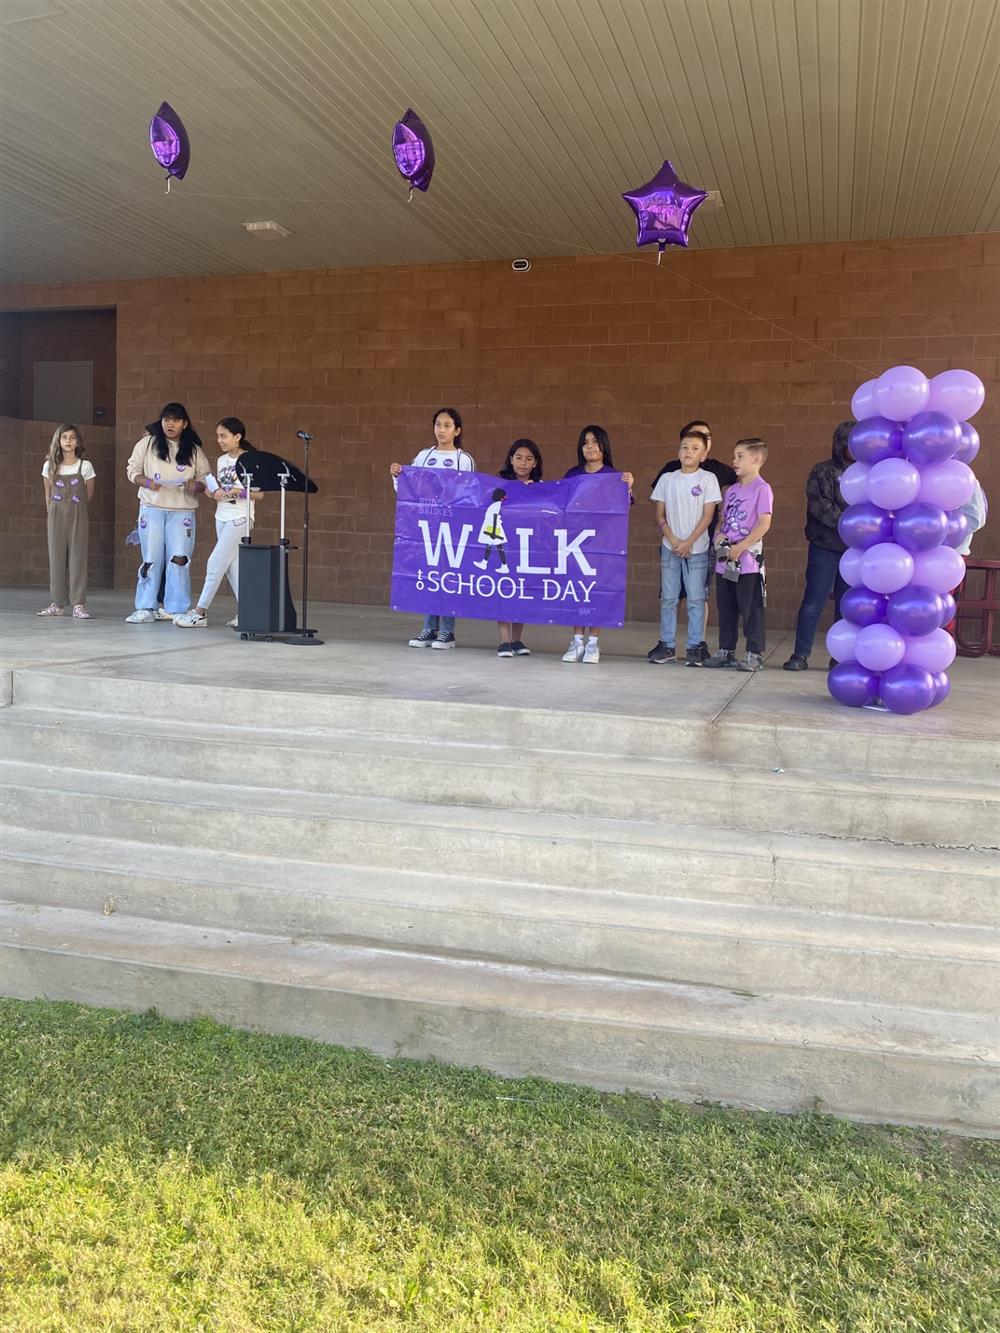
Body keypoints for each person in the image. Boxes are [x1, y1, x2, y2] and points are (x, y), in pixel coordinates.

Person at [648, 420, 736, 663]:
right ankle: (666, 645)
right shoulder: (667, 478)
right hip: (670, 548)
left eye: (695, 448)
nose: (689, 452)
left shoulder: (708, 479)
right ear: (678, 451)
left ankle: (695, 646)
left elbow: (708, 516)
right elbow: (659, 514)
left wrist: (688, 542)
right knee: (669, 597)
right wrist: (675, 540)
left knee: (697, 598)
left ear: (705, 453)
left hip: (696, 549)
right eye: (684, 447)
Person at [390, 407, 474, 650]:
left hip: (452, 527)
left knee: (447, 575)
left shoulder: (463, 459)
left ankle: (447, 631)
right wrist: (397, 474)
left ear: (457, 430)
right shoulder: (424, 456)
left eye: (447, 425)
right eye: (438, 424)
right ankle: (429, 628)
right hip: (426, 526)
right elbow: (408, 489)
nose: (442, 430)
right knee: (428, 575)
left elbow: (470, 493)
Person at [124, 403, 211, 623]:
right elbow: (132, 470)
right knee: (151, 558)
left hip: (182, 511)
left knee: (179, 559)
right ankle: (145, 607)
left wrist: (196, 486)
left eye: (175, 420)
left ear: (185, 424)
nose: (170, 424)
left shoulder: (193, 450)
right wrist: (146, 482)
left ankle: (177, 608)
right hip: (152, 507)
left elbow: (205, 479)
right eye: (166, 419)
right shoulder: (148, 443)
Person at [174, 417, 263, 629]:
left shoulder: (250, 460)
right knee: (233, 568)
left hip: (240, 517)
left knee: (215, 563)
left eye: (224, 436)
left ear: (237, 436)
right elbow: (219, 488)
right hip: (221, 516)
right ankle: (249, 613)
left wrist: (237, 492)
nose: (220, 440)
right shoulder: (222, 461)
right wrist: (213, 491)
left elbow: (259, 495)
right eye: (218, 436)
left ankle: (199, 612)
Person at [560, 424, 634, 664]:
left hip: (603, 544)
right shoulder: (572, 475)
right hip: (576, 543)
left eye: (594, 441)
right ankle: (576, 641)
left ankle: (593, 644)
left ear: (604, 446)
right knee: (576, 590)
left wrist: (629, 487)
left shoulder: (614, 476)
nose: (590, 446)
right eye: (585, 442)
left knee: (597, 591)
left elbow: (625, 506)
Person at [783, 421, 854, 670]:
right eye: (851, 443)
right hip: (825, 547)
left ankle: (839, 657)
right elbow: (820, 506)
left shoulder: (868, 474)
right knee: (814, 601)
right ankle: (801, 654)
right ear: (841, 443)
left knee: (846, 607)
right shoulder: (822, 471)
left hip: (854, 552)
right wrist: (851, 524)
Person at [703, 439, 773, 672]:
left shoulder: (762, 489)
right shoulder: (731, 490)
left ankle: (754, 653)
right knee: (727, 606)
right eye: (734, 456)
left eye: (740, 456)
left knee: (750, 608)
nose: (734, 461)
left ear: (756, 459)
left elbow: (764, 524)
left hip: (748, 562)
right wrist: (719, 538)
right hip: (726, 561)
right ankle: (726, 650)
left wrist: (741, 546)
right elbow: (721, 522)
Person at [37, 423, 95, 619]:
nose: (68, 441)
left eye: (72, 437)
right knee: (56, 557)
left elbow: (88, 494)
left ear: (78, 441)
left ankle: (78, 604)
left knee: (78, 557)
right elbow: (48, 494)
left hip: (78, 514)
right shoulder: (50, 466)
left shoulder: (85, 466)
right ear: (58, 441)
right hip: (56, 515)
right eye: (64, 438)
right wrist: (52, 512)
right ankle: (57, 603)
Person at [493, 438, 543, 657]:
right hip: (504, 545)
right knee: (505, 589)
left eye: (529, 459)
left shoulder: (542, 487)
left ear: (535, 463)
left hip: (528, 547)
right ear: (511, 459)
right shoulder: (499, 485)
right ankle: (504, 640)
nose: (523, 463)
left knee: (522, 590)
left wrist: (534, 494)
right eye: (519, 457)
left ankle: (516, 640)